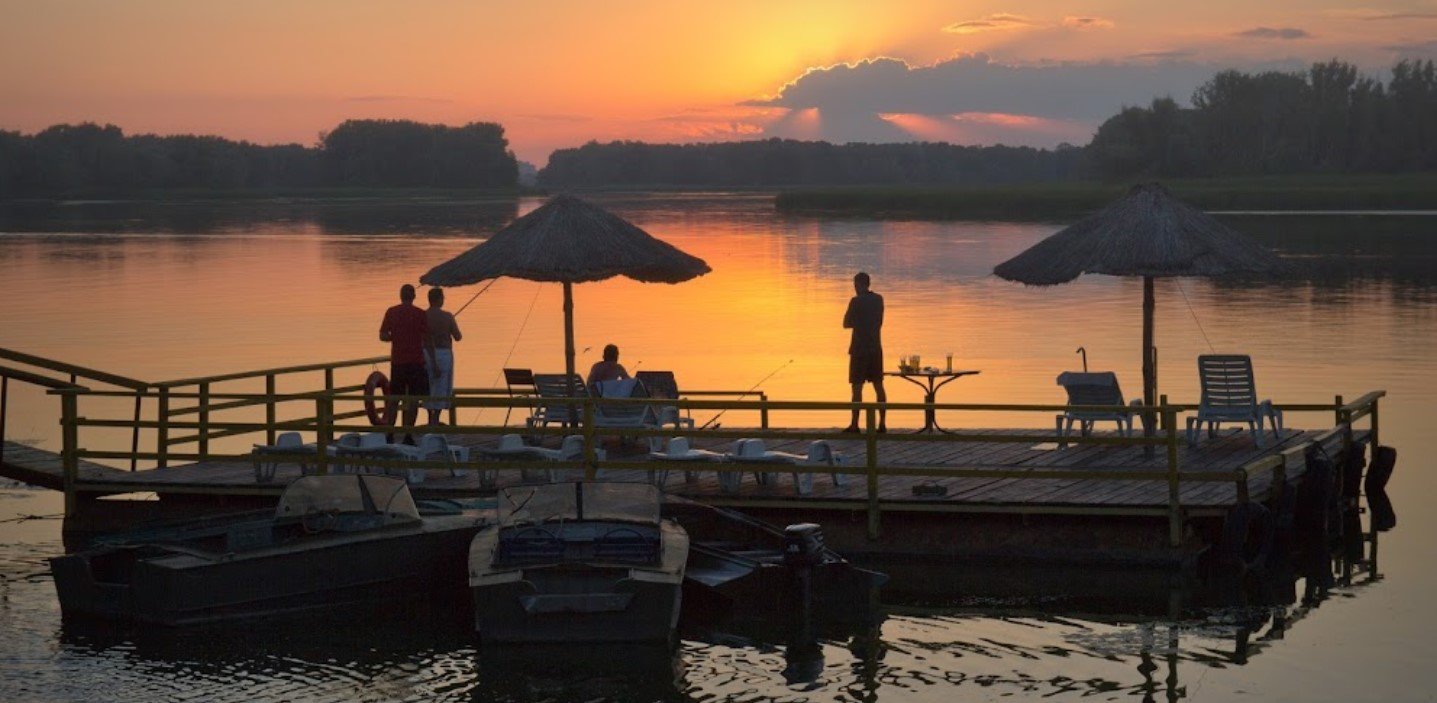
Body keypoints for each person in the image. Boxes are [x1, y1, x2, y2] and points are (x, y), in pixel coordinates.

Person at [379, 284, 434, 436]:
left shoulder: (391, 312)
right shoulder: (420, 314)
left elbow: (382, 335)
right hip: (416, 362)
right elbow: (427, 338)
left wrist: (394, 337)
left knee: (394, 399)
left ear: (400, 296)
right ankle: (408, 434)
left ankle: (390, 432)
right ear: (414, 296)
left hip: (398, 362)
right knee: (414, 400)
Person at [842, 272, 886, 432]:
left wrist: (858, 321)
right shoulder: (879, 299)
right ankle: (882, 424)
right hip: (875, 348)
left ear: (859, 285)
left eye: (855, 285)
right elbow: (879, 321)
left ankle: (855, 424)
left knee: (857, 388)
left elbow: (846, 323)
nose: (854, 288)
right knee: (878, 386)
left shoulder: (855, 301)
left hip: (859, 349)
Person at [424, 287, 462, 426]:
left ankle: (430, 418)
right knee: (442, 385)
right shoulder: (447, 316)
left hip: (426, 354)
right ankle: (436, 418)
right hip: (444, 354)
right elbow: (458, 336)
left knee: (428, 385)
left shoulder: (423, 316)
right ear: (439, 299)